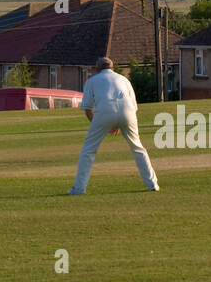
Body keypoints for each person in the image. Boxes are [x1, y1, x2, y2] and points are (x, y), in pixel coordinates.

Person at [68, 57, 159, 195]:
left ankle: (79, 189)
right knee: (137, 147)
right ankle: (153, 184)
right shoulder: (124, 79)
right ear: (112, 67)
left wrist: (104, 125)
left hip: (104, 112)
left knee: (88, 150)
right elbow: (134, 106)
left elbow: (87, 110)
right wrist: (119, 122)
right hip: (128, 112)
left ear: (97, 68)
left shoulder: (92, 81)